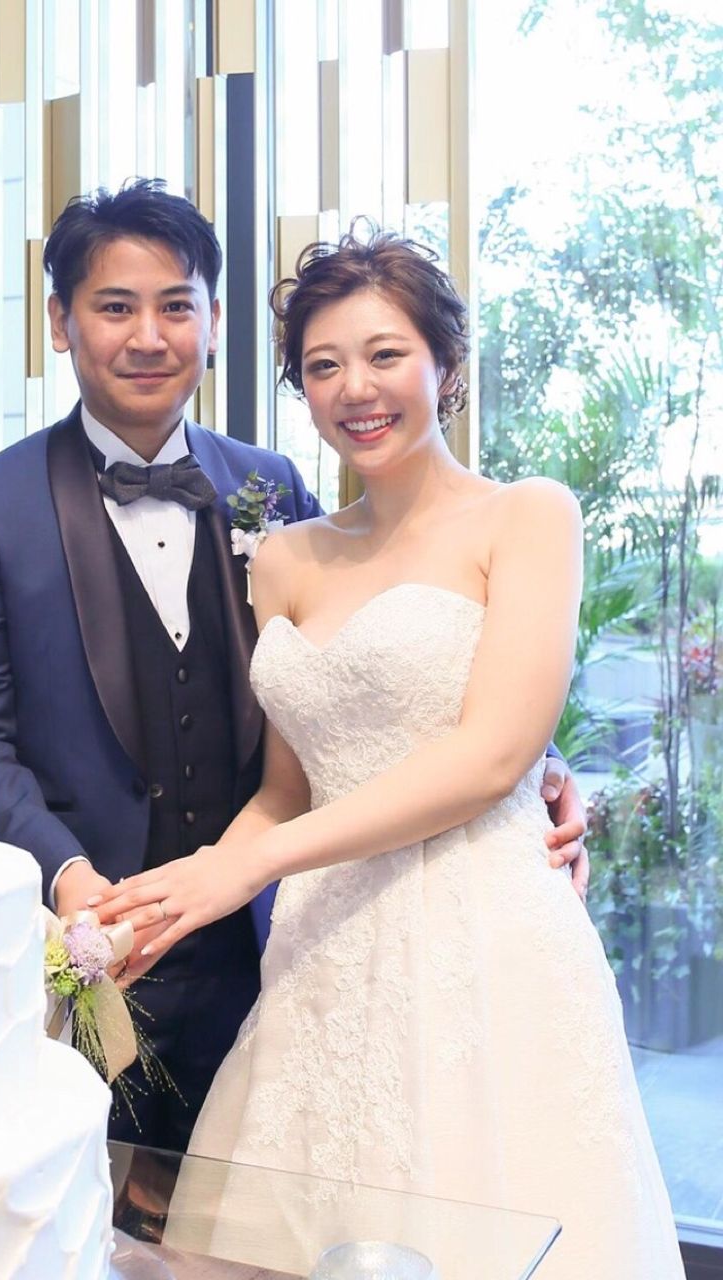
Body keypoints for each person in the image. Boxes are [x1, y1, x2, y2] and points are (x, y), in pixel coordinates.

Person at [0, 180, 587, 1155]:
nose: (147, 335)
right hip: (99, 940)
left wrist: (539, 766)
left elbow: (379, 666)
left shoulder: (264, 489)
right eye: (115, 306)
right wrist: (68, 877)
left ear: (211, 321)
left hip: (274, 937)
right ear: (61, 322)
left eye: (174, 305)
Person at [95, 226, 683, 1276]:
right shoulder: (284, 557)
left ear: (444, 365)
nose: (354, 389)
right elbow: (287, 790)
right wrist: (181, 894)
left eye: (383, 354)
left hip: (482, 932)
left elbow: (491, 757)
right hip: (323, 948)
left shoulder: (527, 517)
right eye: (322, 365)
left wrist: (248, 867)